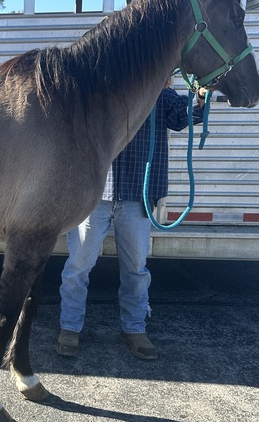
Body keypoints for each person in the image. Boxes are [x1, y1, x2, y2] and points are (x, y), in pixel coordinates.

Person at [57, 80, 206, 360]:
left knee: (136, 269)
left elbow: (182, 116)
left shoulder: (160, 94)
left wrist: (199, 96)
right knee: (78, 265)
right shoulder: (96, 92)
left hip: (138, 195)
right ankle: (70, 327)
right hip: (94, 195)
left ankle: (134, 328)